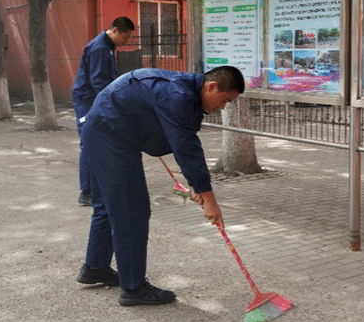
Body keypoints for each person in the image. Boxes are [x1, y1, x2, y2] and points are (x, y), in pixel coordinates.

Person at [77, 66, 244, 306]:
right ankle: (133, 288)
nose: (223, 107)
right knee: (132, 211)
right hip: (109, 133)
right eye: (225, 100)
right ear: (211, 86)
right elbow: (187, 148)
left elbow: (179, 137)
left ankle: (95, 267)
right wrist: (209, 199)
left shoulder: (185, 92)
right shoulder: (178, 95)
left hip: (102, 127)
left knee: (109, 206)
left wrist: (197, 186)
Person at [72, 17, 135, 206]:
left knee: (102, 141)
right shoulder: (100, 48)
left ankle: (101, 184)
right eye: (125, 37)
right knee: (89, 142)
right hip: (88, 101)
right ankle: (87, 192)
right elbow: (98, 81)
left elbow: (109, 79)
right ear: (115, 30)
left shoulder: (107, 47)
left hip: (97, 100)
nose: (126, 41)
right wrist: (113, 101)